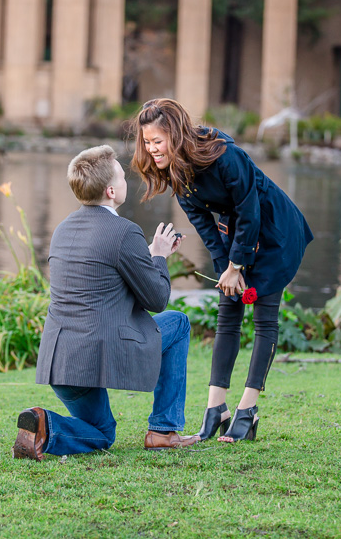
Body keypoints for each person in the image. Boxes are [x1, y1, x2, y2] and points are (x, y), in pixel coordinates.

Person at [129, 98, 313, 443]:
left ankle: (247, 410)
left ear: (176, 134)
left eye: (157, 141)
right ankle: (216, 409)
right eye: (147, 142)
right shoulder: (176, 171)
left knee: (264, 318)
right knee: (228, 310)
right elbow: (205, 227)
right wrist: (226, 271)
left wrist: (237, 264)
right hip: (237, 234)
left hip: (274, 231)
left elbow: (249, 208)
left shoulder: (225, 155)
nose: (151, 149)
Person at [12, 144, 198, 461]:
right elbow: (157, 299)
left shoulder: (62, 229)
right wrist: (159, 256)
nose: (127, 182)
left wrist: (147, 254)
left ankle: (45, 424)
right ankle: (163, 431)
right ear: (111, 190)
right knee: (178, 323)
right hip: (97, 355)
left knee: (102, 434)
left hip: (60, 361)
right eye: (123, 177)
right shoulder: (124, 232)